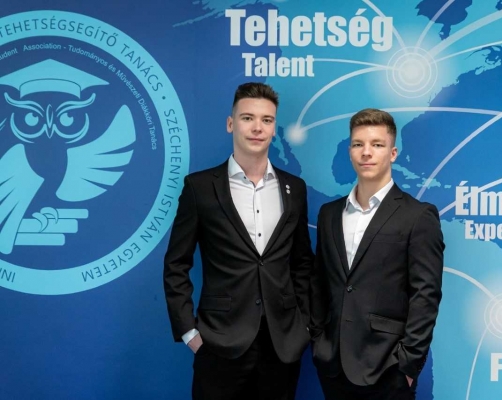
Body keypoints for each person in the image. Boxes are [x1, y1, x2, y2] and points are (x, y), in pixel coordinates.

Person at [164, 82, 314, 400]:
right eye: (248, 118)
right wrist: (189, 332)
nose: (257, 127)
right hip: (218, 343)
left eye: (266, 120)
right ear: (231, 124)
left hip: (281, 346)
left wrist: (303, 327)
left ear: (273, 127)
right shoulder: (200, 188)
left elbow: (302, 262)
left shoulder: (295, 189)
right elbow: (176, 264)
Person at [309, 108, 444, 400]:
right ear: (350, 152)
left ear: (393, 153)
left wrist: (408, 364)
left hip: (388, 370)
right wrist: (319, 341)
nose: (366, 152)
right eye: (358, 144)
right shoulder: (329, 214)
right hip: (333, 365)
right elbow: (319, 282)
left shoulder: (418, 216)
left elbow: (425, 295)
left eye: (377, 144)